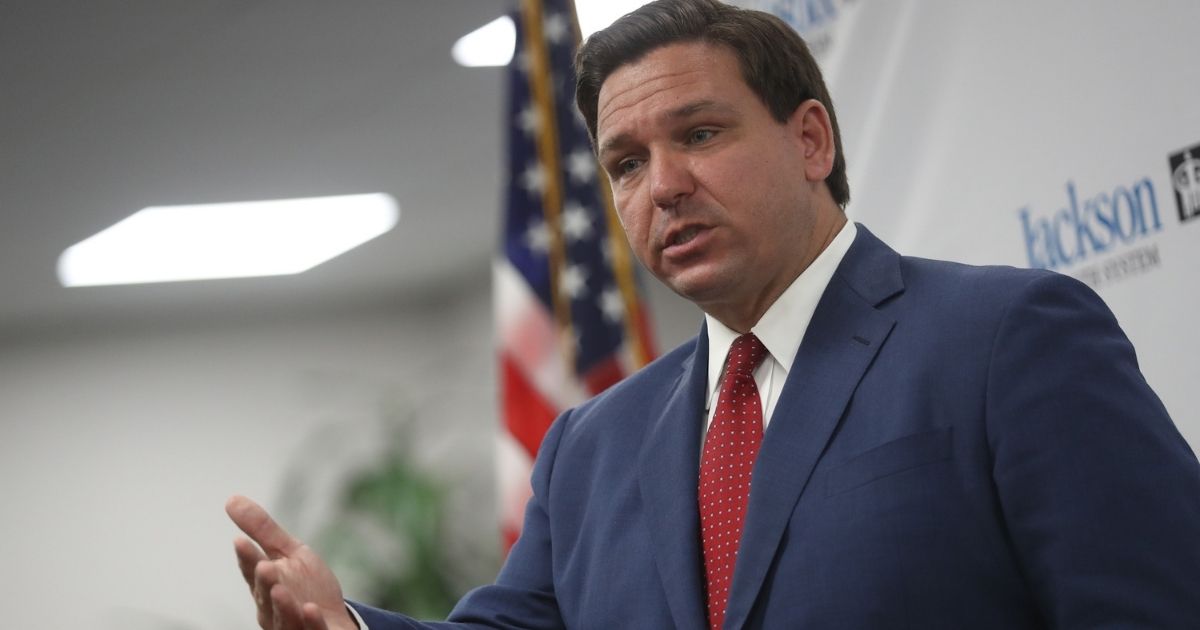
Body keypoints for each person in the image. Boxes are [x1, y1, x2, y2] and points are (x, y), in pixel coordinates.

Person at [226, 1, 1200, 628]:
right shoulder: (591, 445)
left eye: (699, 134)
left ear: (810, 140)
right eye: (627, 163)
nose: (665, 186)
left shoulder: (1006, 339)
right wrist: (344, 628)